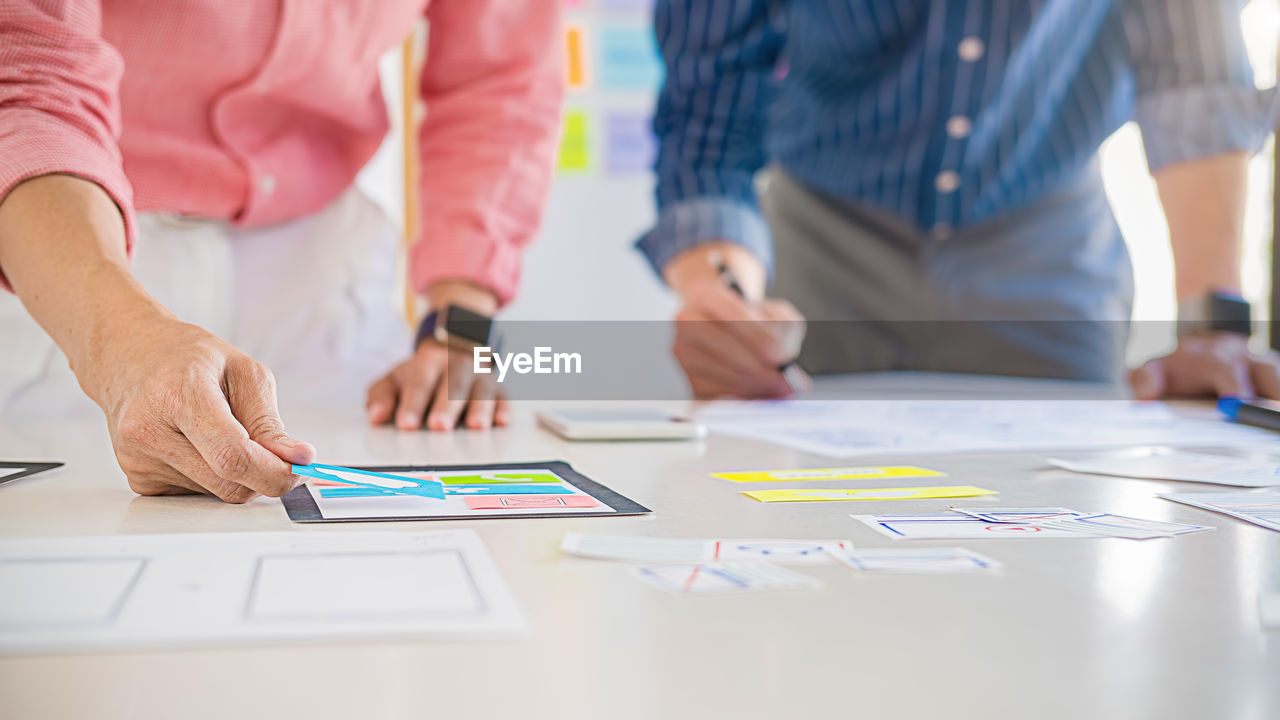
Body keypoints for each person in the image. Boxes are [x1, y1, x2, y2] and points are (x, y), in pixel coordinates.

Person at [0, 1, 562, 502]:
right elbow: (24, 81)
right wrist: (117, 340)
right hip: (74, 247)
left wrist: (458, 328)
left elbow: (499, 79)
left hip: (323, 267)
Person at [639, 0, 1280, 401]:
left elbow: (1194, 82)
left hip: (1047, 244)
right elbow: (709, 120)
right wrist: (726, 306)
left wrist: (1210, 328)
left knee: (1058, 544)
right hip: (820, 239)